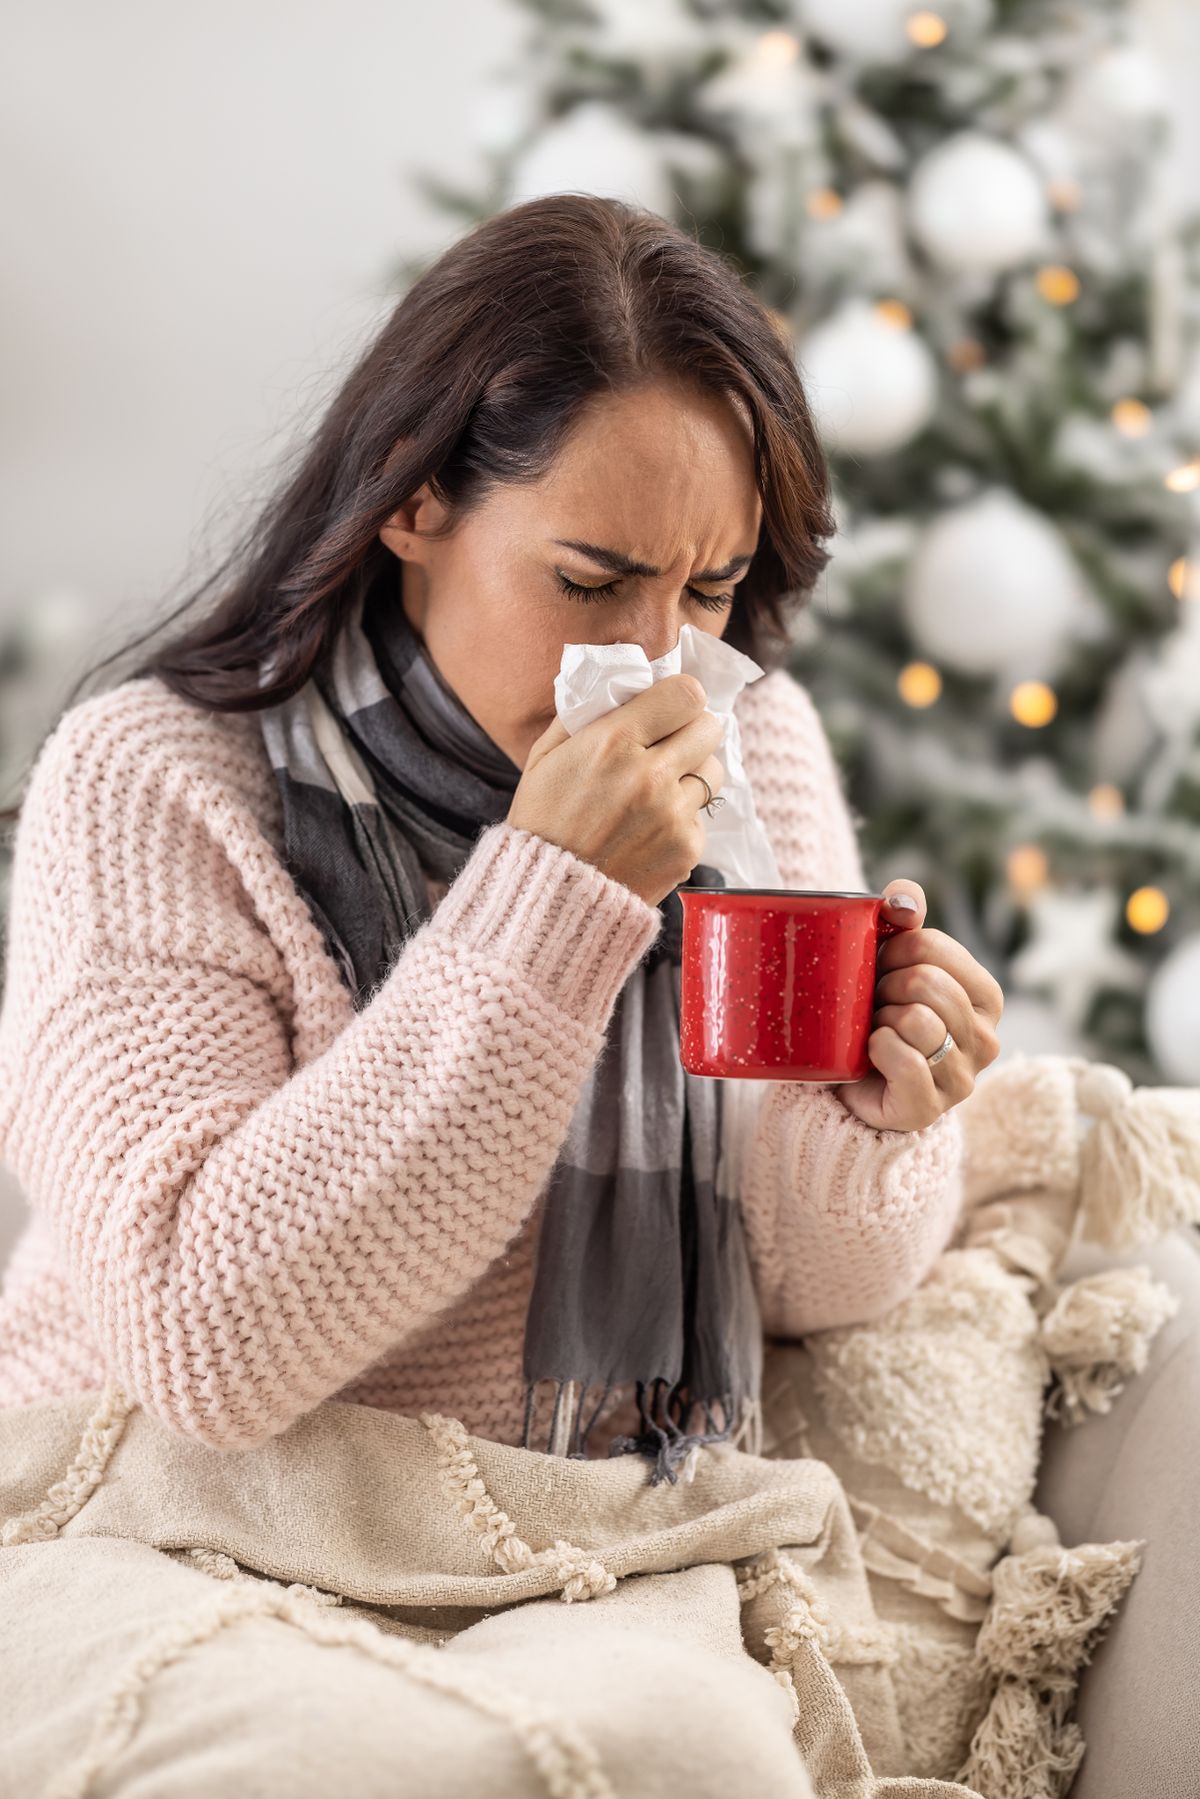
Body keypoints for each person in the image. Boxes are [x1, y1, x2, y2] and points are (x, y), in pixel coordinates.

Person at [0, 192, 1003, 1471]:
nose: (657, 667)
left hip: (589, 1530)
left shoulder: (759, 745)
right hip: (168, 1509)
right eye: (590, 582)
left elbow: (815, 1288)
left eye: (708, 589)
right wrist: (550, 898)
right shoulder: (153, 785)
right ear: (413, 504)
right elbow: (199, 1338)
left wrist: (869, 1119)